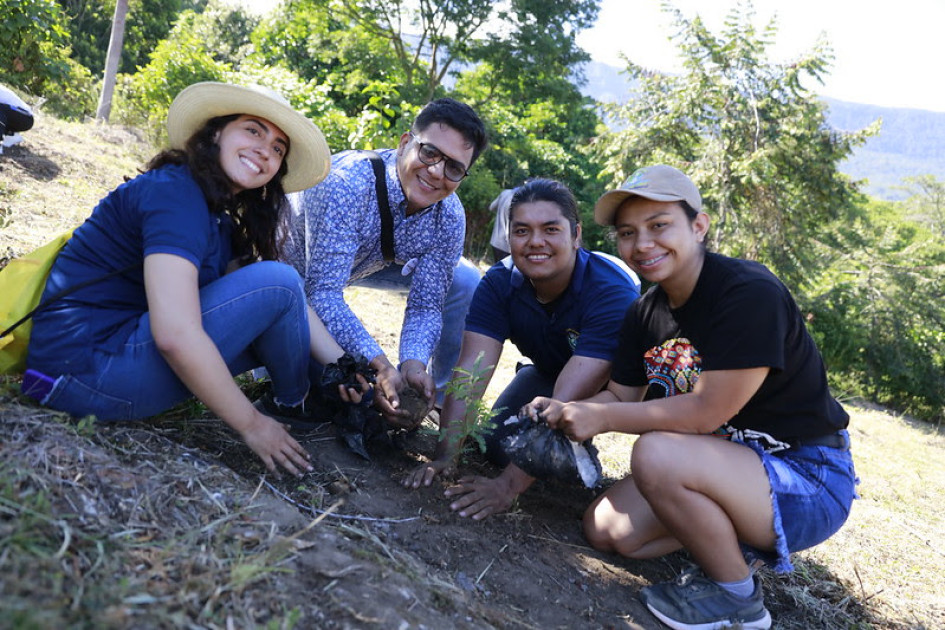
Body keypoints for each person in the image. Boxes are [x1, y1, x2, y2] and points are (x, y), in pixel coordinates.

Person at [522, 165, 857, 629]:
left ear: (698, 226)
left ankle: (738, 598)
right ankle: (731, 541)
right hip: (721, 463)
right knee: (608, 531)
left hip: (805, 474)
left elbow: (705, 412)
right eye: (627, 232)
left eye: (659, 226)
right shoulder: (646, 311)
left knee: (656, 453)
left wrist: (603, 419)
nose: (642, 244)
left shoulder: (748, 293)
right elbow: (622, 392)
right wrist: (569, 409)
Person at [24, 82, 365, 477]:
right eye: (253, 130)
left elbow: (281, 306)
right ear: (216, 131)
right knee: (279, 279)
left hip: (93, 366)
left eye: (277, 148)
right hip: (84, 373)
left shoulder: (214, 212)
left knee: (278, 296)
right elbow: (176, 333)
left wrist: (346, 365)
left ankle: (301, 398)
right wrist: (251, 426)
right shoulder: (176, 194)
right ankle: (292, 404)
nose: (265, 150)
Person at [403, 178, 641, 520]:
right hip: (549, 374)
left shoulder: (611, 293)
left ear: (575, 235)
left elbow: (567, 398)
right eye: (522, 231)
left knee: (541, 456)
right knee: (501, 446)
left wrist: (506, 488)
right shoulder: (500, 283)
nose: (535, 242)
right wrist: (445, 456)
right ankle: (541, 406)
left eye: (550, 229)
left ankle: (580, 450)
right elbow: (471, 370)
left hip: (613, 395)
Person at [281, 97, 488, 427]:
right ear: (406, 143)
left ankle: (439, 405)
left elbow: (425, 305)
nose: (436, 172)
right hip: (291, 273)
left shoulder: (449, 216)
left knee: (465, 279)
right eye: (430, 152)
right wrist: (378, 364)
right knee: (327, 387)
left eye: (454, 167)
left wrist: (412, 364)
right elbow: (322, 293)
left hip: (361, 266)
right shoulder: (347, 182)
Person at [488, 187, 515, 261]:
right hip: (509, 246)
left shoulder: (505, 193)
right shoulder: (523, 199)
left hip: (495, 241)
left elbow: (491, 207)